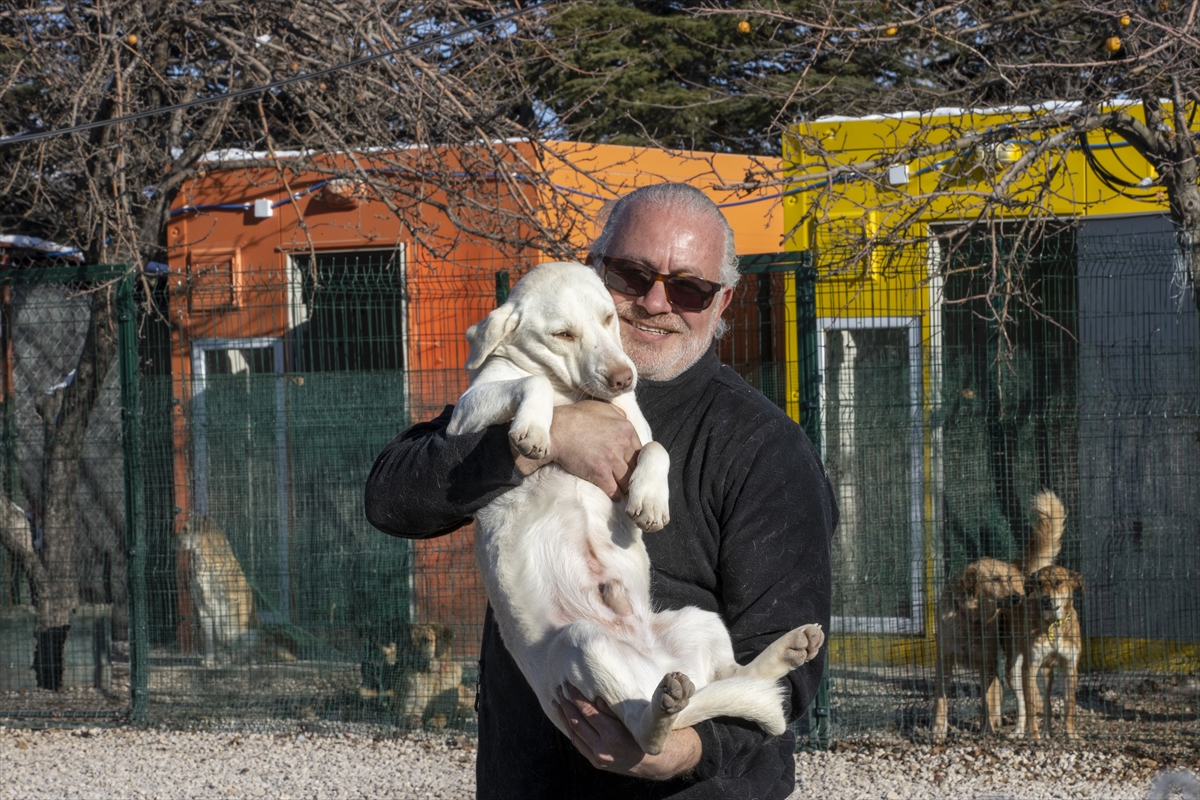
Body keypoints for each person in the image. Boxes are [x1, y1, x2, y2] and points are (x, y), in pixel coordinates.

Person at [365, 183, 836, 799]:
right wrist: (544, 441)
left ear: (722, 303)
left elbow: (791, 666)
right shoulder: (532, 380)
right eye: (632, 275)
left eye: (688, 288)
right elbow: (391, 497)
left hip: (690, 790)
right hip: (528, 779)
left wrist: (680, 753)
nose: (655, 303)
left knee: (702, 640)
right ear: (592, 269)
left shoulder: (763, 447)